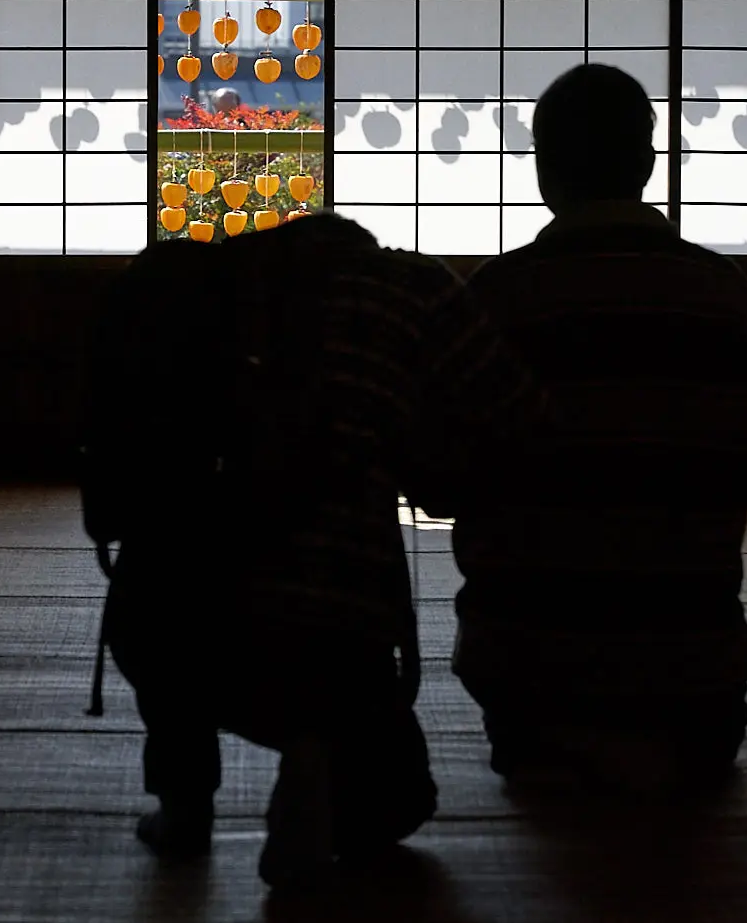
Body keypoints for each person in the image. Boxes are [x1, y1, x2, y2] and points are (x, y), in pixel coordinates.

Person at [82, 217, 541, 890]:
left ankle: (185, 802)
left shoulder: (190, 290)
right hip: (330, 625)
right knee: (397, 803)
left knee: (178, 576)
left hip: (166, 619)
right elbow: (518, 420)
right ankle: (315, 750)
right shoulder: (410, 285)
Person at [456, 64, 747, 798]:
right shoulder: (729, 298)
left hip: (530, 689)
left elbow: (432, 476)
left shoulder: (492, 301)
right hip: (691, 692)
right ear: (649, 164)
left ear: (543, 171)